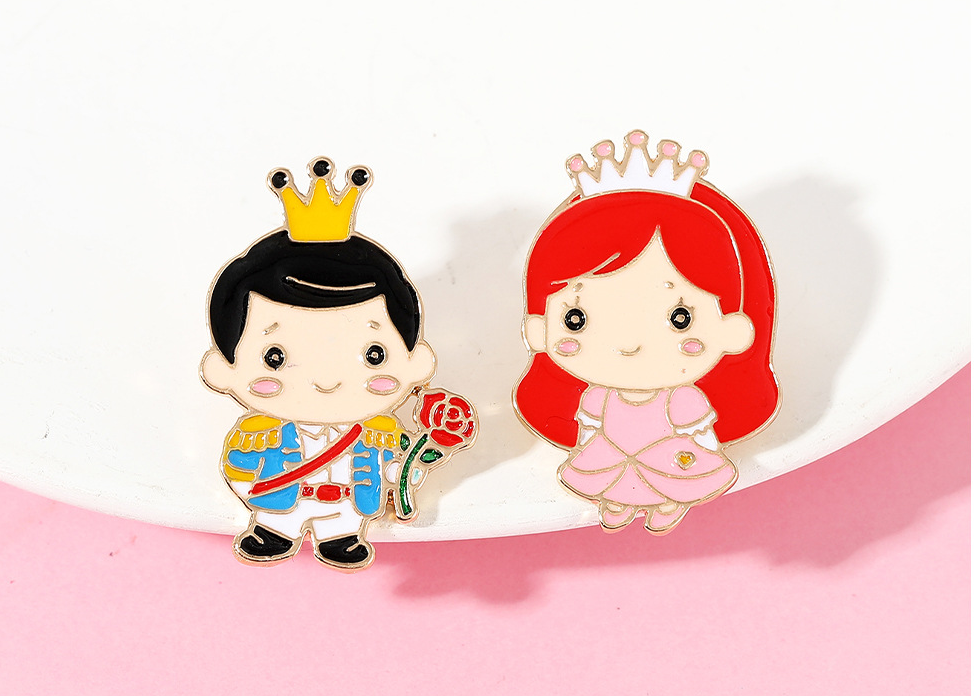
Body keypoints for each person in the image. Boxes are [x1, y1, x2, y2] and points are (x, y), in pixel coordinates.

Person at [513, 134, 779, 534]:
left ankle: (670, 501)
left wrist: (705, 459)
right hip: (613, 462)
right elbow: (588, 431)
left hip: (674, 463)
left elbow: (703, 439)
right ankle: (619, 501)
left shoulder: (685, 400)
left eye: (679, 317)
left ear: (733, 329)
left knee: (672, 480)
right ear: (538, 329)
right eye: (576, 319)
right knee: (613, 478)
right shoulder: (596, 398)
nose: (629, 344)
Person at [201, 159, 451, 570]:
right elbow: (239, 467)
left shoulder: (380, 433)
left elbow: (398, 470)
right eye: (275, 357)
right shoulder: (258, 433)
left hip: (347, 507)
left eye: (374, 355)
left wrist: (416, 461)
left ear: (416, 361)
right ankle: (274, 532)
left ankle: (341, 538)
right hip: (281, 505)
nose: (327, 379)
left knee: (343, 526)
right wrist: (247, 479)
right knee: (277, 521)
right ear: (222, 369)